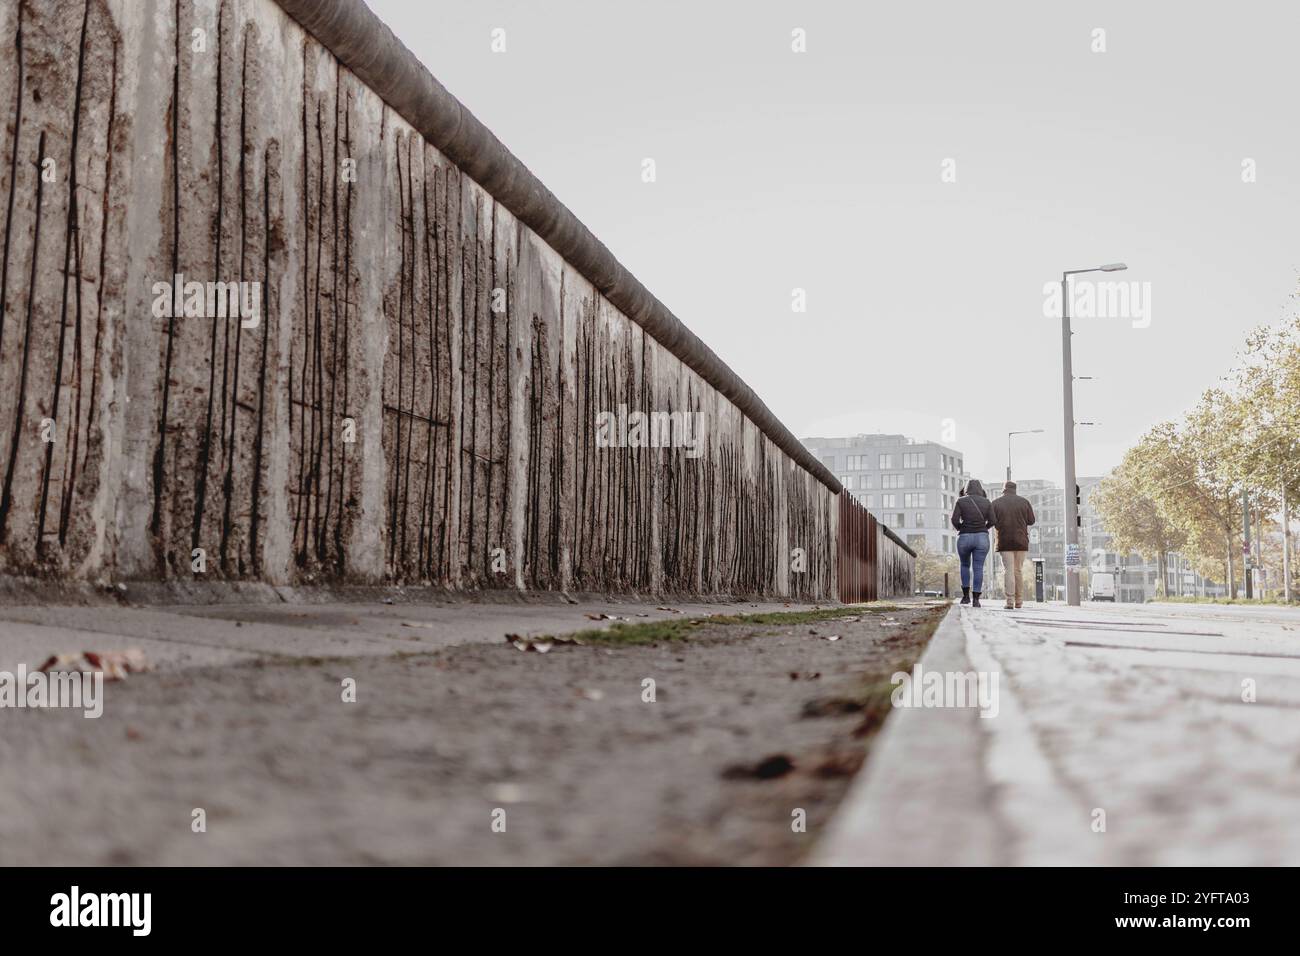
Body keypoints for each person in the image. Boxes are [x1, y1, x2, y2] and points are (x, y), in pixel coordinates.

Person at [989, 480, 1036, 609]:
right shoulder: (1024, 502)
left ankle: (1009, 601)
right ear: (1015, 489)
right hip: (1021, 542)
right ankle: (1019, 601)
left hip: (1004, 541)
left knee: (1008, 570)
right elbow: (1031, 521)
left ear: (1003, 489)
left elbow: (991, 521)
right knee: (1018, 570)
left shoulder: (996, 503)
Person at [950, 479, 993, 607]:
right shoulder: (987, 502)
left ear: (966, 489)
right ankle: (976, 599)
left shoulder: (961, 501)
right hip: (982, 537)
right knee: (978, 567)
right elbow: (993, 520)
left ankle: (965, 597)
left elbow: (954, 519)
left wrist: (960, 528)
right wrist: (984, 528)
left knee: (964, 565)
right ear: (980, 489)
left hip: (964, 537)